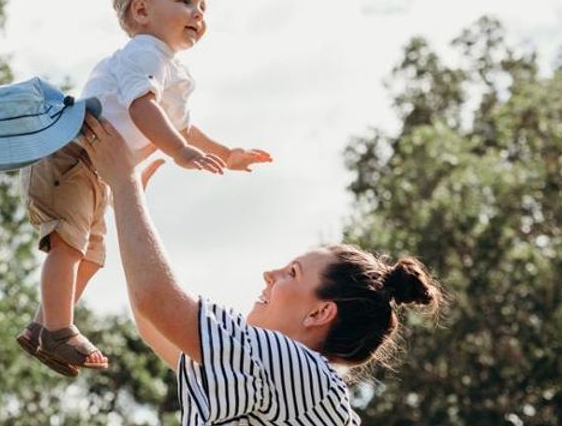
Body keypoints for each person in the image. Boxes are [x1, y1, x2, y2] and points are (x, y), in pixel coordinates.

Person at [77, 115, 443, 425]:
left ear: (320, 312)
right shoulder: (275, 378)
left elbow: (157, 301)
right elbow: (153, 317)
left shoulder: (299, 370)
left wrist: (124, 184)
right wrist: (127, 202)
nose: (270, 274)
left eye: (292, 273)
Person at [16, 0, 273, 377]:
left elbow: (184, 128)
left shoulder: (172, 68)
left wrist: (228, 154)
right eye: (186, 1)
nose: (198, 13)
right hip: (72, 154)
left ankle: (43, 325)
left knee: (93, 256)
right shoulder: (144, 53)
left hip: (97, 169)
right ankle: (59, 329)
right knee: (69, 244)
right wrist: (176, 151)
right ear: (141, 10)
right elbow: (142, 110)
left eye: (203, 7)